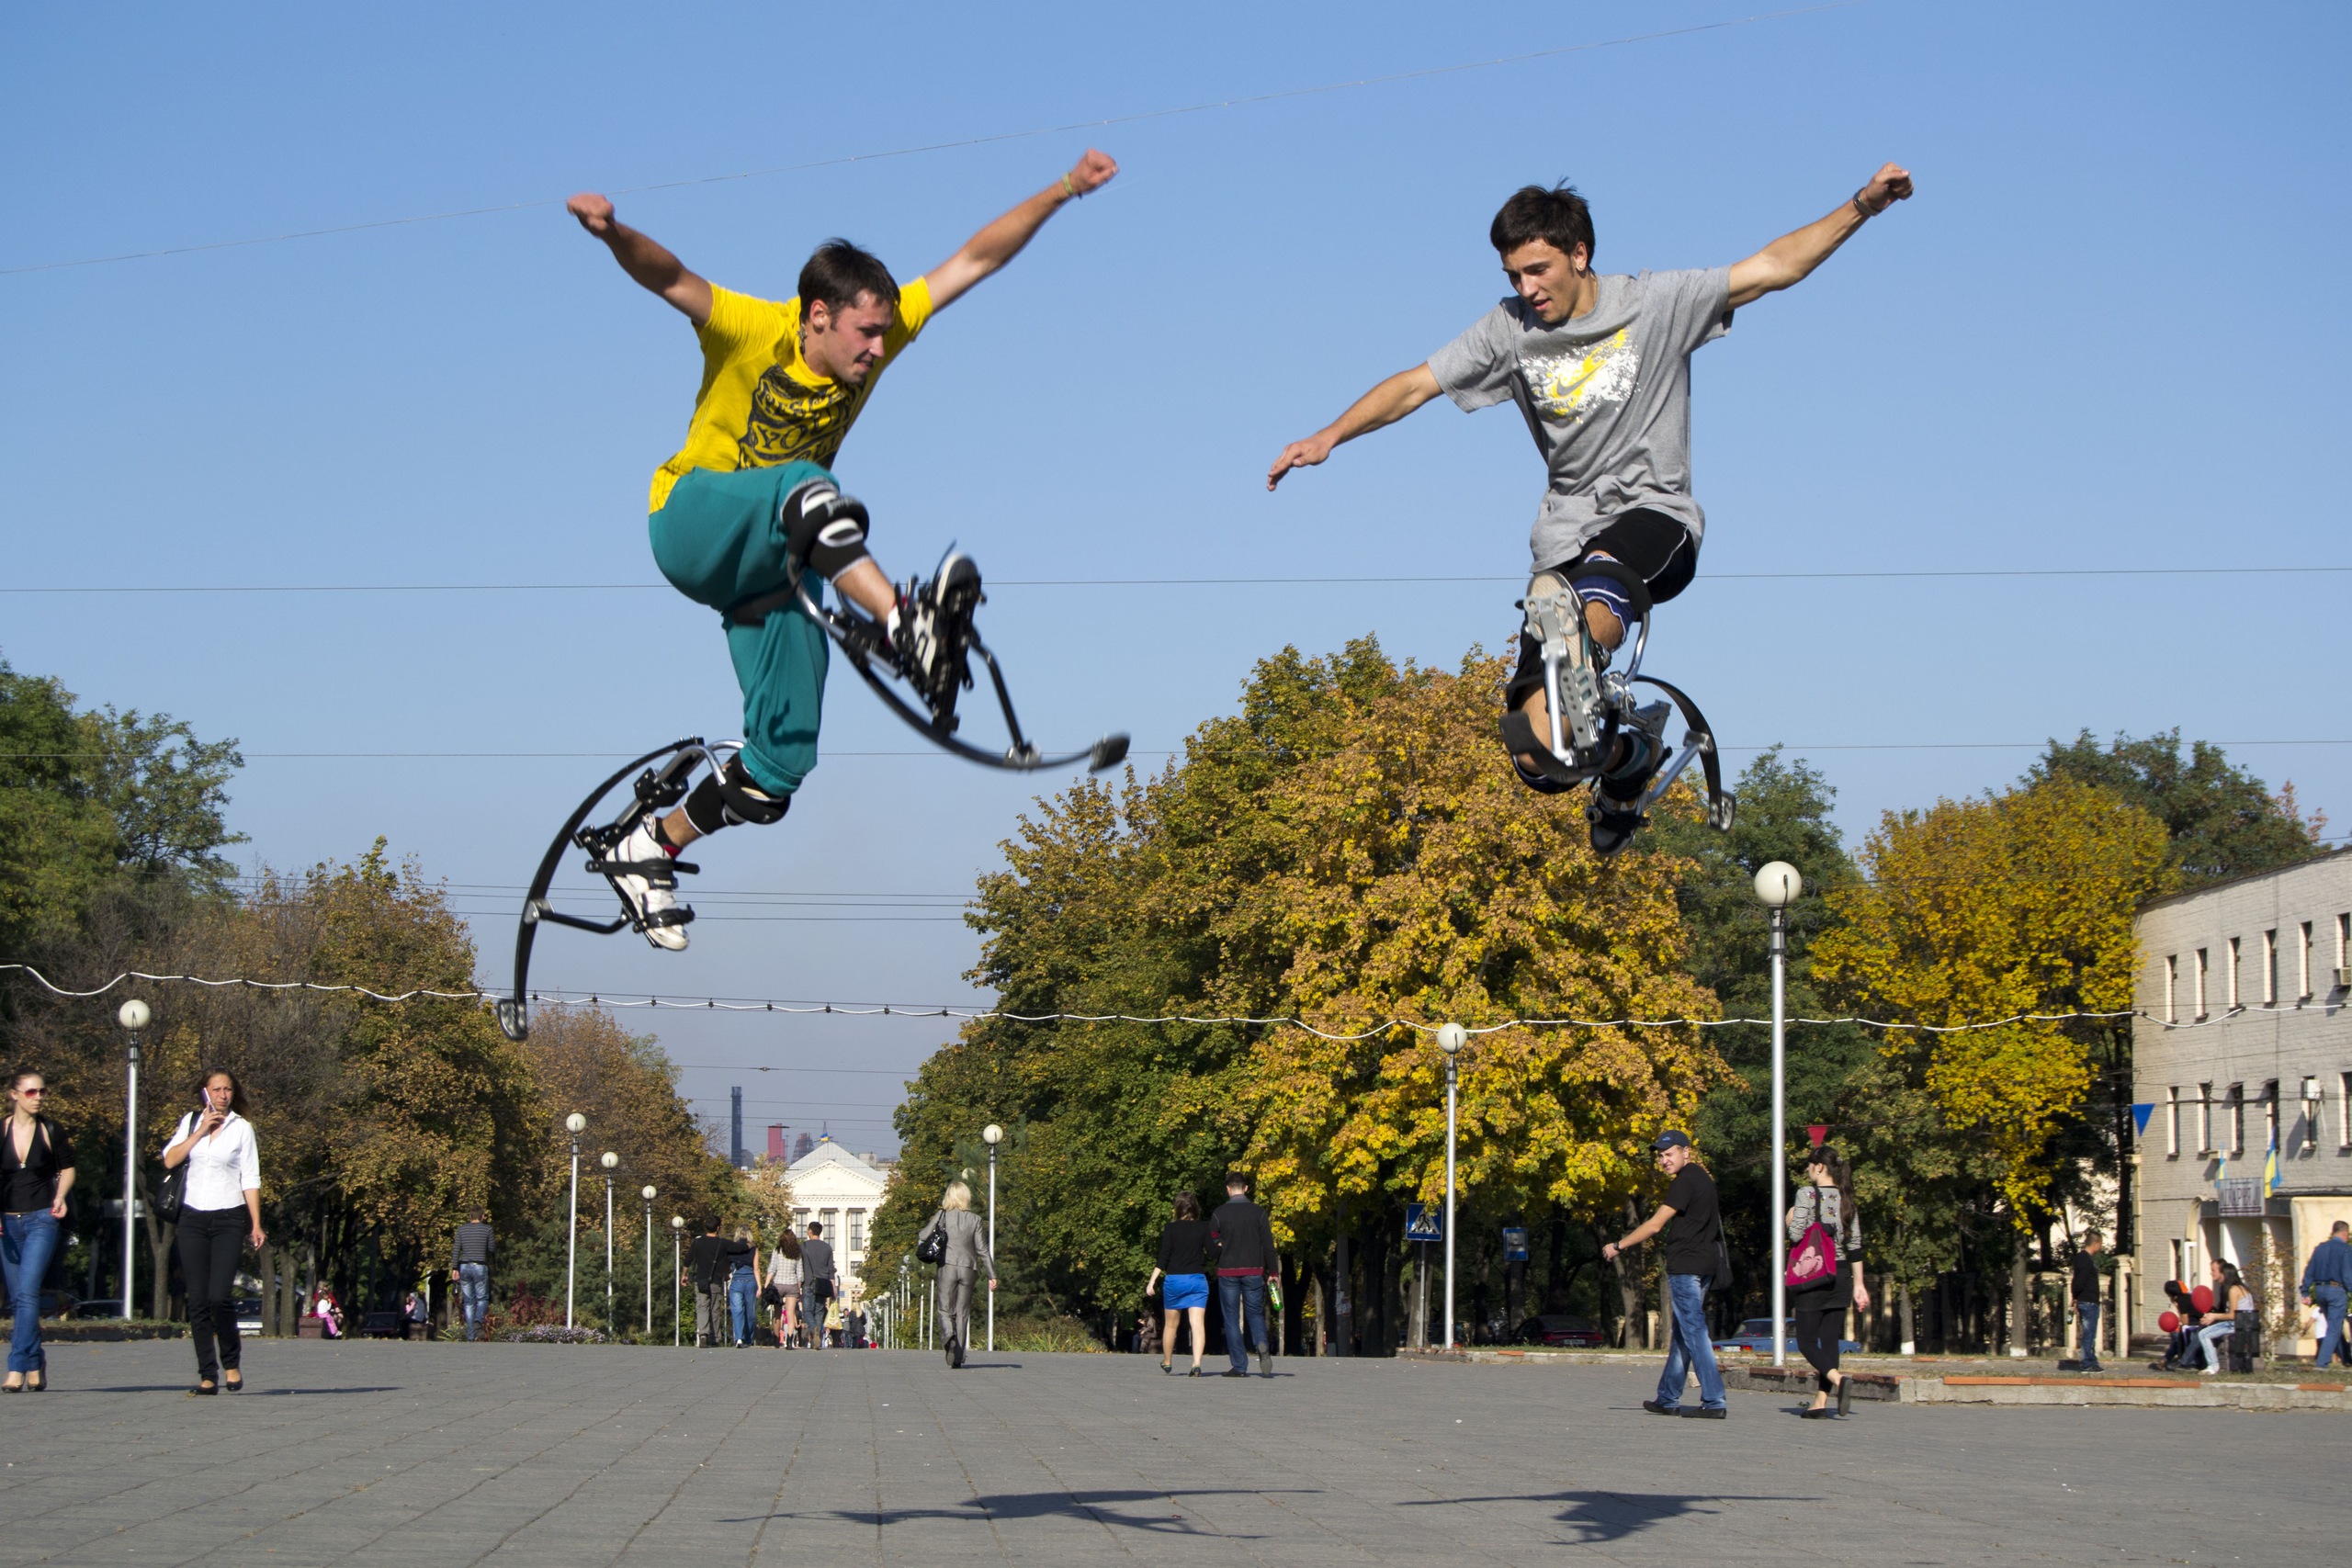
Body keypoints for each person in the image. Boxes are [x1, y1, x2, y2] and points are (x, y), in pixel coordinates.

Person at [1266, 164, 1914, 854]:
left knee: (1594, 584)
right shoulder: (1508, 330)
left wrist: (1861, 206)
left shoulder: (1658, 302)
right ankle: (1628, 759)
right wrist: (1329, 436)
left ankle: (1580, 642)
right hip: (1564, 540)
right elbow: (1415, 385)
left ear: (1579, 254)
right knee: (1537, 756)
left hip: (1654, 517)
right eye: (1515, 275)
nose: (1527, 289)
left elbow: (1774, 267)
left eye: (1538, 270)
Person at [563, 149, 1119, 948]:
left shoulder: (879, 337)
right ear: (816, 314)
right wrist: (614, 232)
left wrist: (1063, 190)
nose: (875, 352)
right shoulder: (751, 325)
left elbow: (974, 259)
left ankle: (648, 844)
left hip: (772, 567)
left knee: (779, 768)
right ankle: (902, 622)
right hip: (692, 523)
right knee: (807, 487)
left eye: (883, 334)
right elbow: (670, 277)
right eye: (863, 333)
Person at [1603, 1130, 1726, 1418]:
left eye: (1669, 1154)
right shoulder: (1702, 1180)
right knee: (1684, 1332)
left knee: (1694, 1330)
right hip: (1704, 1264)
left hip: (1686, 1266)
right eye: (1660, 1155)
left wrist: (1619, 1245)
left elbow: (1656, 1224)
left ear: (1687, 1152)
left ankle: (1715, 1400)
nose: (1663, 1160)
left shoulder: (1686, 1182)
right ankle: (1668, 1397)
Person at [161, 1068, 266, 1394]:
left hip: (228, 1218)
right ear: (204, 1092)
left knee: (219, 1296)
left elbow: (250, 1177)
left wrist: (256, 1223)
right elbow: (169, 1160)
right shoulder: (191, 1122)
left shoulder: (242, 1129)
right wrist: (199, 1131)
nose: (222, 1095)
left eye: (228, 1090)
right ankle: (208, 1374)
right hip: (192, 1218)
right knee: (199, 1300)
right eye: (216, 1089)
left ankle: (231, 1363)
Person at [1, 1071, 75, 1392]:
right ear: (13, 1095)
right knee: (19, 1300)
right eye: (31, 1092)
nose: (39, 1097)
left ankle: (16, 1367)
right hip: (8, 1223)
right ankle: (35, 1360)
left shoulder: (51, 1129)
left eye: (42, 1091)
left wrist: (60, 1196)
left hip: (42, 1219)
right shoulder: (1, 1129)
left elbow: (68, 1168)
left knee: (28, 1292)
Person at [1784, 1145, 1869, 1417]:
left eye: (1809, 1164)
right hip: (1842, 1275)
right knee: (1830, 1341)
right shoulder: (1847, 1198)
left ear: (1819, 1166)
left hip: (1815, 1273)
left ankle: (1838, 1379)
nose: (1807, 1169)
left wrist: (1790, 1218)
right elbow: (1854, 1245)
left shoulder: (1806, 1194)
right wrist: (1859, 1284)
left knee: (1806, 1341)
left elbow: (1797, 1235)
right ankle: (1820, 1403)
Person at [1209, 1173, 1278, 1379]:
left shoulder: (1219, 1214)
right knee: (1254, 1313)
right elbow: (1268, 1245)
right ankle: (1261, 1343)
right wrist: (1273, 1272)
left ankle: (1239, 1366)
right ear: (1246, 1188)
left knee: (1231, 1318)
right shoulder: (1259, 1213)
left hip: (1228, 1271)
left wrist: (1220, 1246)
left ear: (1228, 1189)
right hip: (1254, 1270)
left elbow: (1212, 1241)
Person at [922, 1181, 996, 1369]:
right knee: (962, 1313)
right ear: (966, 1197)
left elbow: (923, 1235)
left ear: (949, 1197)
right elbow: (983, 1250)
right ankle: (958, 1357)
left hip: (947, 1267)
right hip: (968, 1269)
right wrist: (992, 1275)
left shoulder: (942, 1215)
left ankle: (949, 1338)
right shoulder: (975, 1219)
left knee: (945, 1310)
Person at [1145, 1191, 1214, 1377]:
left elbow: (1163, 1257)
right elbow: (1214, 1253)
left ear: (1177, 1209)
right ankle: (1197, 1363)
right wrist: (1222, 1245)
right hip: (1197, 1281)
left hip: (1175, 1281)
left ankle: (1167, 1362)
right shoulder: (1203, 1227)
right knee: (1198, 1324)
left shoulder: (1170, 1228)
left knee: (1171, 1325)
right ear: (1195, 1209)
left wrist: (1152, 1281)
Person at [2299, 1219, 2352, 1369]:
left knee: (2334, 1325)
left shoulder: (2320, 1249)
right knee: (2334, 1328)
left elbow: (2309, 1272)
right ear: (2344, 1233)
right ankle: (2322, 1363)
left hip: (2320, 1290)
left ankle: (2347, 1358)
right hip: (2336, 1290)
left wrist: (2305, 1291)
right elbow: (2348, 1275)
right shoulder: (2346, 1250)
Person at [685, 1218, 743, 1348]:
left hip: (700, 1280)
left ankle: (703, 1334)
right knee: (714, 1308)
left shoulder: (698, 1242)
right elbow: (739, 1248)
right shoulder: (722, 1243)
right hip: (716, 1280)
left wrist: (683, 1275)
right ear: (718, 1228)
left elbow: (688, 1260)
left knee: (702, 1307)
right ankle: (715, 1337)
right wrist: (750, 1245)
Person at [2194, 1259, 2255, 1375]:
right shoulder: (2242, 1288)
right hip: (2245, 1323)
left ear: (2225, 1274)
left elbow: (2232, 1315)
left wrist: (2214, 1316)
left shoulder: (2233, 1290)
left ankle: (2213, 1366)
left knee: (2203, 1334)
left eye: (2219, 1273)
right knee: (2206, 1331)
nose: (2217, 1275)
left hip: (2237, 1324)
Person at [451, 1207, 494, 1342]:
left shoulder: (461, 1230)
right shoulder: (487, 1229)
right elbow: (491, 1249)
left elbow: (456, 1249)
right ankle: (477, 1321)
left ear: (470, 1216)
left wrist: (454, 1268)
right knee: (482, 1299)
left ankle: (470, 1335)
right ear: (482, 1216)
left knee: (469, 1302)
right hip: (480, 1266)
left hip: (464, 1266)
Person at [2070, 1232, 2107, 1374]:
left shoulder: (2080, 1258)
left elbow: (2075, 1279)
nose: (2101, 1247)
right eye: (2100, 1244)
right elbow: (2080, 1281)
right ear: (2095, 1243)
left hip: (2084, 1300)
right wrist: (2077, 1296)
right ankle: (2087, 1363)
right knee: (2089, 1334)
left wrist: (2075, 1298)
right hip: (2089, 1301)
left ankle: (2092, 1361)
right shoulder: (2086, 1260)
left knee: (2089, 1334)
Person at [799, 1221, 837, 1349]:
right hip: (823, 1284)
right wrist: (834, 1288)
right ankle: (818, 1335)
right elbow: (831, 1269)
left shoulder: (803, 1246)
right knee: (819, 1310)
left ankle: (814, 1328)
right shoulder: (827, 1248)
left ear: (810, 1231)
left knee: (807, 1310)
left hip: (808, 1282)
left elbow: (799, 1266)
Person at [766, 1229, 803, 1348]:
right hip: (792, 1284)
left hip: (778, 1285)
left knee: (777, 1313)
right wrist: (798, 1288)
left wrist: (766, 1285)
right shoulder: (797, 1253)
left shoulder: (777, 1251)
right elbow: (800, 1273)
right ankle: (789, 1340)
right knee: (790, 1314)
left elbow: (772, 1269)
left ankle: (776, 1339)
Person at [728, 1226, 761, 1348]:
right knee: (750, 1312)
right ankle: (748, 1338)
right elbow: (756, 1269)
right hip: (751, 1281)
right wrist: (760, 1287)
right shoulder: (754, 1249)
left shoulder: (732, 1248)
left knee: (737, 1310)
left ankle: (739, 1338)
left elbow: (728, 1265)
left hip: (736, 1281)